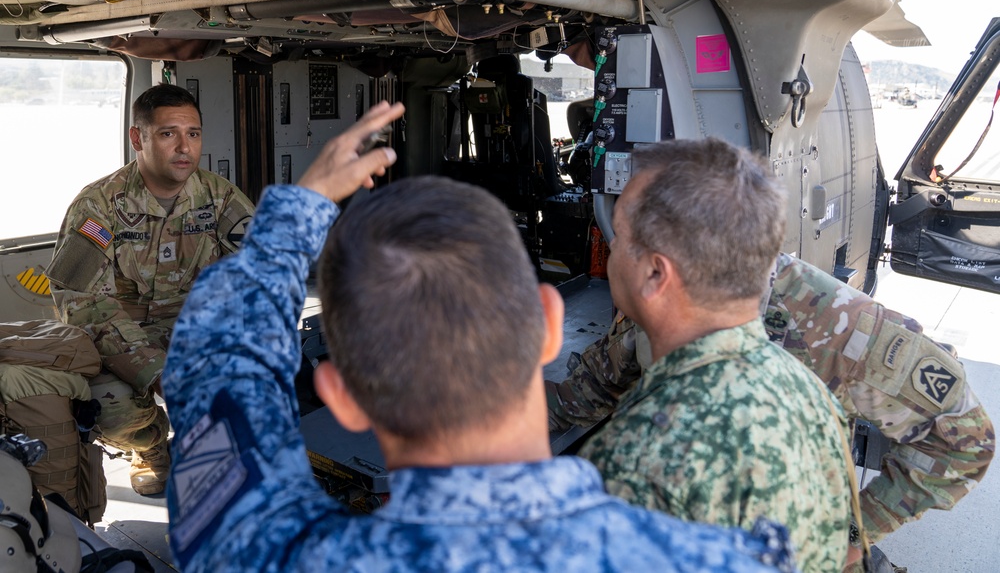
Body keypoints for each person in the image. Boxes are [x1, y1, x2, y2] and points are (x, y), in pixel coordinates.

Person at [160, 102, 796, 573]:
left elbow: (218, 365)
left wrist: (297, 214)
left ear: (341, 394)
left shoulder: (254, 546)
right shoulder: (725, 560)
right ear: (550, 326)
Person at [549, 259, 996, 572]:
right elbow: (600, 381)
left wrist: (853, 534)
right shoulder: (660, 291)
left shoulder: (828, 321)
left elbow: (964, 443)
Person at [577, 138, 853, 573]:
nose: (610, 248)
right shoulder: (807, 390)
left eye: (619, 235)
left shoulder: (638, 454)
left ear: (654, 272)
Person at [47, 84, 255, 495]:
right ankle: (151, 448)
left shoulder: (219, 196)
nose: (184, 147)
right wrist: (157, 373)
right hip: (120, 336)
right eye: (168, 133)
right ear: (137, 138)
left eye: (193, 133)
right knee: (110, 406)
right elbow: (84, 304)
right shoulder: (98, 206)